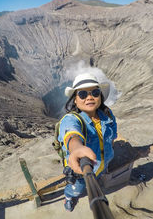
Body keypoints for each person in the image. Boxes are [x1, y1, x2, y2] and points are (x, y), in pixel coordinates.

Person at [58, 73, 117, 212]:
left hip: (102, 163)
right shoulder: (71, 119)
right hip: (80, 170)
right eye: (83, 94)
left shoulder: (107, 115)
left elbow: (113, 134)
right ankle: (69, 197)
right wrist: (77, 148)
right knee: (76, 189)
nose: (89, 97)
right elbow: (72, 135)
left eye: (95, 93)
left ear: (100, 97)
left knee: (98, 176)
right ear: (75, 100)